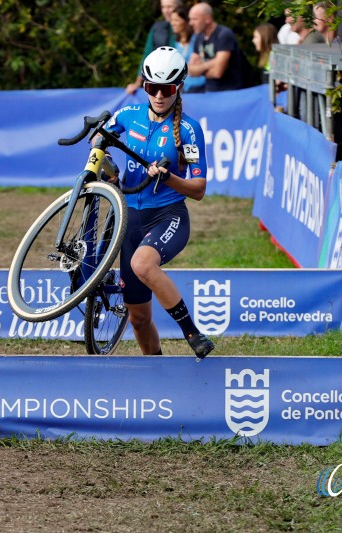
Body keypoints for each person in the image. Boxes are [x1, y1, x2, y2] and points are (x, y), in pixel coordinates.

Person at [98, 46, 215, 359]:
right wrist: (105, 161)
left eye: (167, 89)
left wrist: (169, 179)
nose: (159, 96)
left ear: (179, 88)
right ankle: (156, 371)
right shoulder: (128, 115)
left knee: (142, 264)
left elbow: (199, 188)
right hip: (129, 220)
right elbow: (100, 141)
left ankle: (192, 333)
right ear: (145, 86)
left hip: (167, 215)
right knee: (138, 318)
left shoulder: (189, 131)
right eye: (152, 88)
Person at [125, 0, 183, 94]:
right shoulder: (157, 28)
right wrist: (137, 83)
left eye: (169, 7)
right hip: (162, 82)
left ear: (180, 7)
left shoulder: (190, 28)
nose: (166, 11)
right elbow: (147, 54)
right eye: (163, 7)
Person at [187, 2, 244, 92]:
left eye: (195, 19)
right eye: (190, 19)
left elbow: (218, 72)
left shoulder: (224, 35)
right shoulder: (198, 38)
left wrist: (200, 69)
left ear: (208, 19)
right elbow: (190, 70)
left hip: (229, 92)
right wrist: (213, 63)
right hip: (210, 91)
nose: (191, 23)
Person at [169, 5, 205, 93]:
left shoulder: (198, 40)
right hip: (179, 89)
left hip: (198, 88)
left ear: (186, 22)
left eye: (176, 20)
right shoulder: (174, 43)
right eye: (172, 20)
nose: (172, 23)